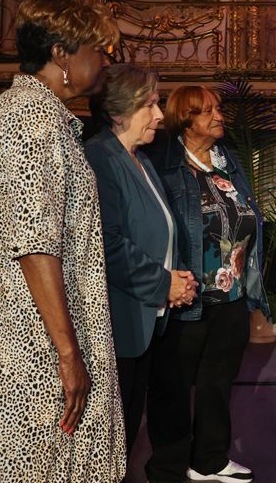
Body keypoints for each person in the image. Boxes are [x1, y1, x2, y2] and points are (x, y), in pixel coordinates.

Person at [0, 0, 125, 482]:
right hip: (28, 352)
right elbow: (36, 246)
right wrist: (68, 354)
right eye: (99, 50)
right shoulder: (31, 122)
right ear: (61, 54)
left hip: (23, 343)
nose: (106, 61)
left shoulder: (29, 115)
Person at [145, 85, 270, 483]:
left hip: (231, 296)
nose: (219, 115)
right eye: (208, 110)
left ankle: (209, 461)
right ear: (186, 119)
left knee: (218, 385)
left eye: (219, 108)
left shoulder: (228, 160)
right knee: (172, 390)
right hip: (187, 298)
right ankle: (167, 469)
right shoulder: (163, 164)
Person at [84, 64, 199, 458]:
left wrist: (177, 279)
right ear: (118, 111)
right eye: (149, 104)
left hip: (146, 321)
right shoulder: (99, 157)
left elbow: (162, 230)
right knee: (110, 444)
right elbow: (107, 244)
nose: (159, 115)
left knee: (127, 437)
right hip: (117, 324)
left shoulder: (141, 159)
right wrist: (164, 284)